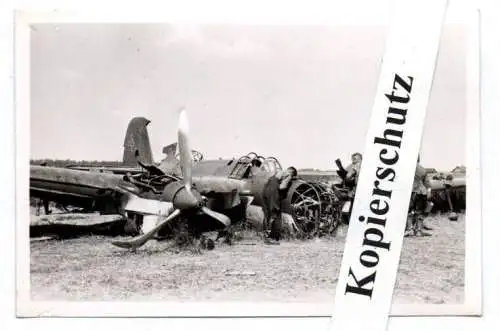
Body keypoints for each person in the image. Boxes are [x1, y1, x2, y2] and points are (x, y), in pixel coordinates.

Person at [261, 166, 297, 244]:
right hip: (273, 191)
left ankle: (267, 236)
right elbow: (281, 187)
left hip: (266, 189)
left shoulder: (279, 171)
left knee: (268, 213)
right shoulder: (289, 175)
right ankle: (271, 238)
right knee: (275, 213)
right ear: (292, 173)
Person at [405, 155, 433, 237]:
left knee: (410, 211)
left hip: (412, 192)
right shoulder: (423, 169)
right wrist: (429, 192)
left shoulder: (407, 168)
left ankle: (409, 230)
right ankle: (418, 231)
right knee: (420, 212)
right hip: (422, 192)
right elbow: (427, 184)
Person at [344, 152, 362, 219]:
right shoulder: (366, 165)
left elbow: (348, 176)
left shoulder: (355, 166)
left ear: (359, 159)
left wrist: (346, 178)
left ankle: (351, 219)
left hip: (356, 189)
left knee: (353, 205)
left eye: (354, 159)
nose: (353, 160)